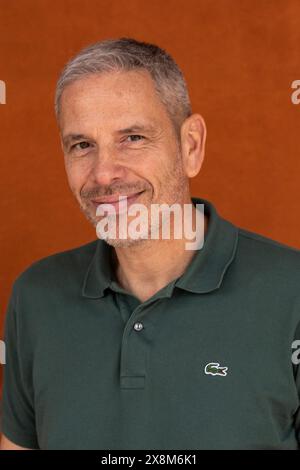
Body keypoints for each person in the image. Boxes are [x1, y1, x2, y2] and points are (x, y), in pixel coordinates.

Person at [1, 37, 299, 450]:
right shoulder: (36, 297)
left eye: (133, 138)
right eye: (82, 145)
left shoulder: (292, 292)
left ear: (190, 145)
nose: (104, 174)